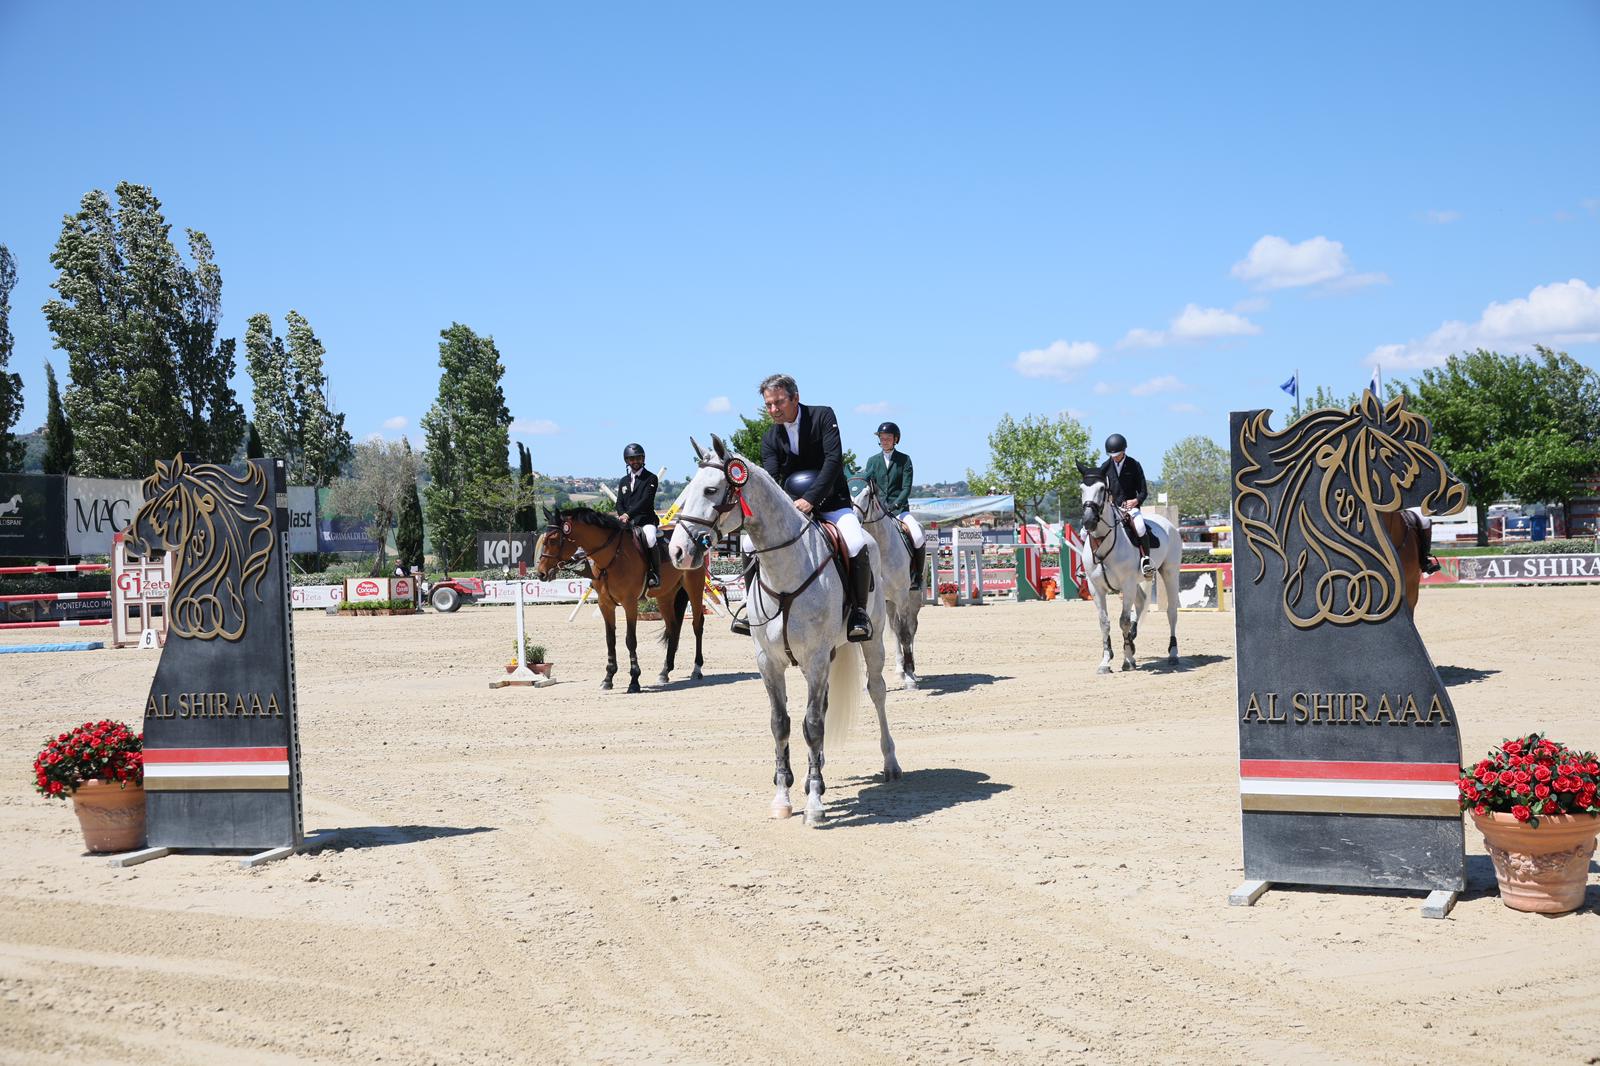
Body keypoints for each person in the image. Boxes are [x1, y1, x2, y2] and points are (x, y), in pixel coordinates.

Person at [733, 373, 874, 641]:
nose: (774, 409)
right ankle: (750, 609)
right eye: (769, 405)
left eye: (779, 402)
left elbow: (833, 461)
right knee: (749, 544)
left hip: (831, 502)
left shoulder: (823, 416)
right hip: (792, 509)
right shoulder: (770, 437)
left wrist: (811, 499)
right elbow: (772, 479)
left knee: (856, 543)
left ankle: (859, 612)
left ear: (795, 398)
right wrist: (783, 507)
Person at [862, 421, 926, 588]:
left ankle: (916, 576)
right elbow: (868, 486)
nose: (884, 441)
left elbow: (906, 488)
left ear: (895, 439)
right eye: (882, 438)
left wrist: (895, 505)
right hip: (878, 512)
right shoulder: (872, 461)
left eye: (888, 438)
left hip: (899, 511)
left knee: (917, 536)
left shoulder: (904, 460)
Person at [1097, 433, 1156, 577]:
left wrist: (1135, 501)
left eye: (1117, 455)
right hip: (1112, 508)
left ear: (1124, 451)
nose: (1115, 458)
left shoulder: (1134, 465)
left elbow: (1143, 492)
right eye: (1112, 455)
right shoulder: (1105, 466)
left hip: (1130, 508)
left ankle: (1146, 560)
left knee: (1140, 527)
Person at [616, 442, 661, 589]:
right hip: (627, 522)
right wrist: (622, 515)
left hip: (645, 520)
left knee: (650, 538)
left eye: (638, 458)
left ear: (643, 459)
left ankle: (654, 574)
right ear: (627, 461)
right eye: (632, 459)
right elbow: (619, 502)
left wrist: (627, 514)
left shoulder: (651, 478)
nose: (635, 461)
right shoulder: (623, 481)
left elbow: (646, 501)